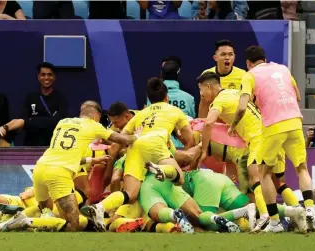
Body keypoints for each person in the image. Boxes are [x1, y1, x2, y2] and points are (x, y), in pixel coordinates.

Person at [80, 78, 195, 231]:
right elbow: (190, 137)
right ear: (166, 97)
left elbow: (123, 138)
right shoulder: (174, 110)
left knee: (131, 194)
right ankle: (161, 169)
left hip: (135, 146)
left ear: (149, 98)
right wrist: (185, 149)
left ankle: (101, 207)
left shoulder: (141, 114)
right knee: (179, 178)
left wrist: (114, 149)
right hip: (155, 143)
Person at [232, 45, 315, 232]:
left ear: (248, 63)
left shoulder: (249, 75)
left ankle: (275, 222)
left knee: (264, 173)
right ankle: (310, 207)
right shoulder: (283, 69)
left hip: (274, 126)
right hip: (295, 122)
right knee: (302, 168)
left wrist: (232, 125)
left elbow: (242, 107)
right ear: (264, 58)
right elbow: (298, 96)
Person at [25, 102, 137, 232]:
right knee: (74, 223)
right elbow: (123, 140)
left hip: (40, 167)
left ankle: (25, 221)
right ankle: (26, 222)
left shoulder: (63, 122)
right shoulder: (94, 125)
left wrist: (92, 160)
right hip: (58, 172)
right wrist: (139, 135)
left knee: (46, 211)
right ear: (95, 117)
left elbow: (66, 152)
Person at [196, 72, 269, 231]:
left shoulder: (219, 101)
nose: (201, 95)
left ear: (208, 86)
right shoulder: (235, 92)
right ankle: (279, 216)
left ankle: (265, 217)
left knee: (254, 179)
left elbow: (208, 123)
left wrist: (203, 150)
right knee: (271, 180)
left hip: (257, 139)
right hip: (269, 134)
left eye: (201, 90)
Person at [148, 61, 196, 148]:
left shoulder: (151, 97)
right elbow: (192, 120)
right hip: (184, 146)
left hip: (160, 146)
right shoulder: (189, 98)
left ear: (162, 73)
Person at [22, 62, 68, 146]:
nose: (46, 77)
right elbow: (24, 121)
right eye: (43, 74)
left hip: (54, 144)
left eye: (50, 75)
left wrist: (34, 121)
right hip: (32, 143)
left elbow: (60, 121)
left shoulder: (61, 98)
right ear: (38, 77)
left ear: (54, 77)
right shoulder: (30, 97)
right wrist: (49, 120)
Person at [198, 40, 246, 118]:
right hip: (214, 119)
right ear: (215, 57)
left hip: (233, 120)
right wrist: (201, 123)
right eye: (223, 54)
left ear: (234, 57)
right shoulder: (206, 75)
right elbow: (204, 102)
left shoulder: (243, 75)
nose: (227, 58)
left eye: (230, 54)